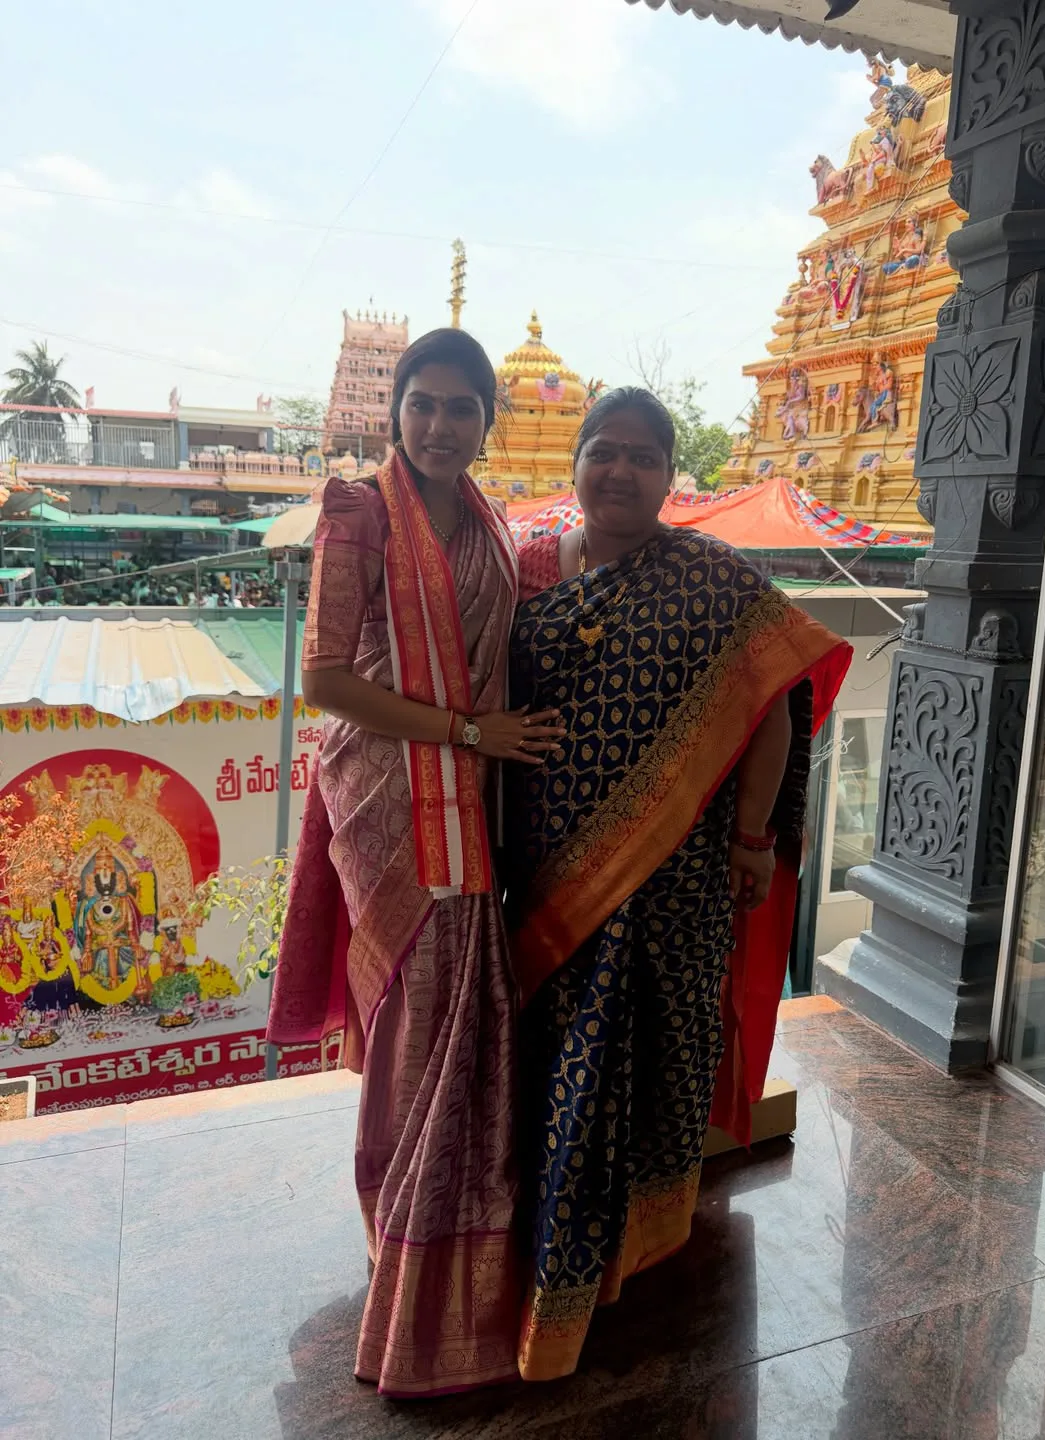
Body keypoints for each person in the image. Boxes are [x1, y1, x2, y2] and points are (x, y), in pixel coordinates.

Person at [505, 387, 852, 1381]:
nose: (619, 472)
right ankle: (557, 1248)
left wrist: (751, 841)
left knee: (638, 1060)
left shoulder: (714, 580)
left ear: (669, 477)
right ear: (575, 463)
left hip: (672, 875)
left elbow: (778, 704)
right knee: (554, 1064)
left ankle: (609, 1261)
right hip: (545, 870)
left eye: (643, 458)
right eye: (602, 452)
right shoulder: (530, 569)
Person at [266, 328, 564, 1398]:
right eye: (423, 404)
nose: (440, 425)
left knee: (450, 1014)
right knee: (421, 1005)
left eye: (462, 407)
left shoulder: (488, 521)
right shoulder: (356, 512)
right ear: (394, 409)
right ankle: (402, 1223)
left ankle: (435, 1228)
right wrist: (472, 736)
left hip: (467, 792)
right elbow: (330, 680)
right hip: (391, 787)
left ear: (489, 419)